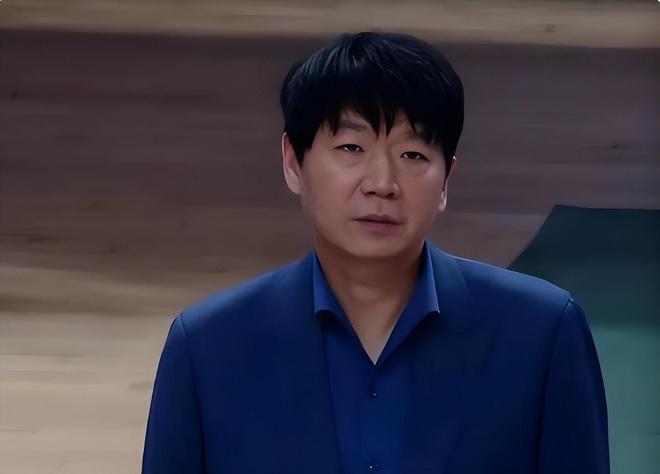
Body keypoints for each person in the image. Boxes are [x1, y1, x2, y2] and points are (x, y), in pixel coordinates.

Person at [141, 32, 609, 474]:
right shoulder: (207, 349)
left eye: (413, 155)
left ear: (446, 180)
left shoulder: (542, 335)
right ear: (293, 162)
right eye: (351, 147)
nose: (382, 184)